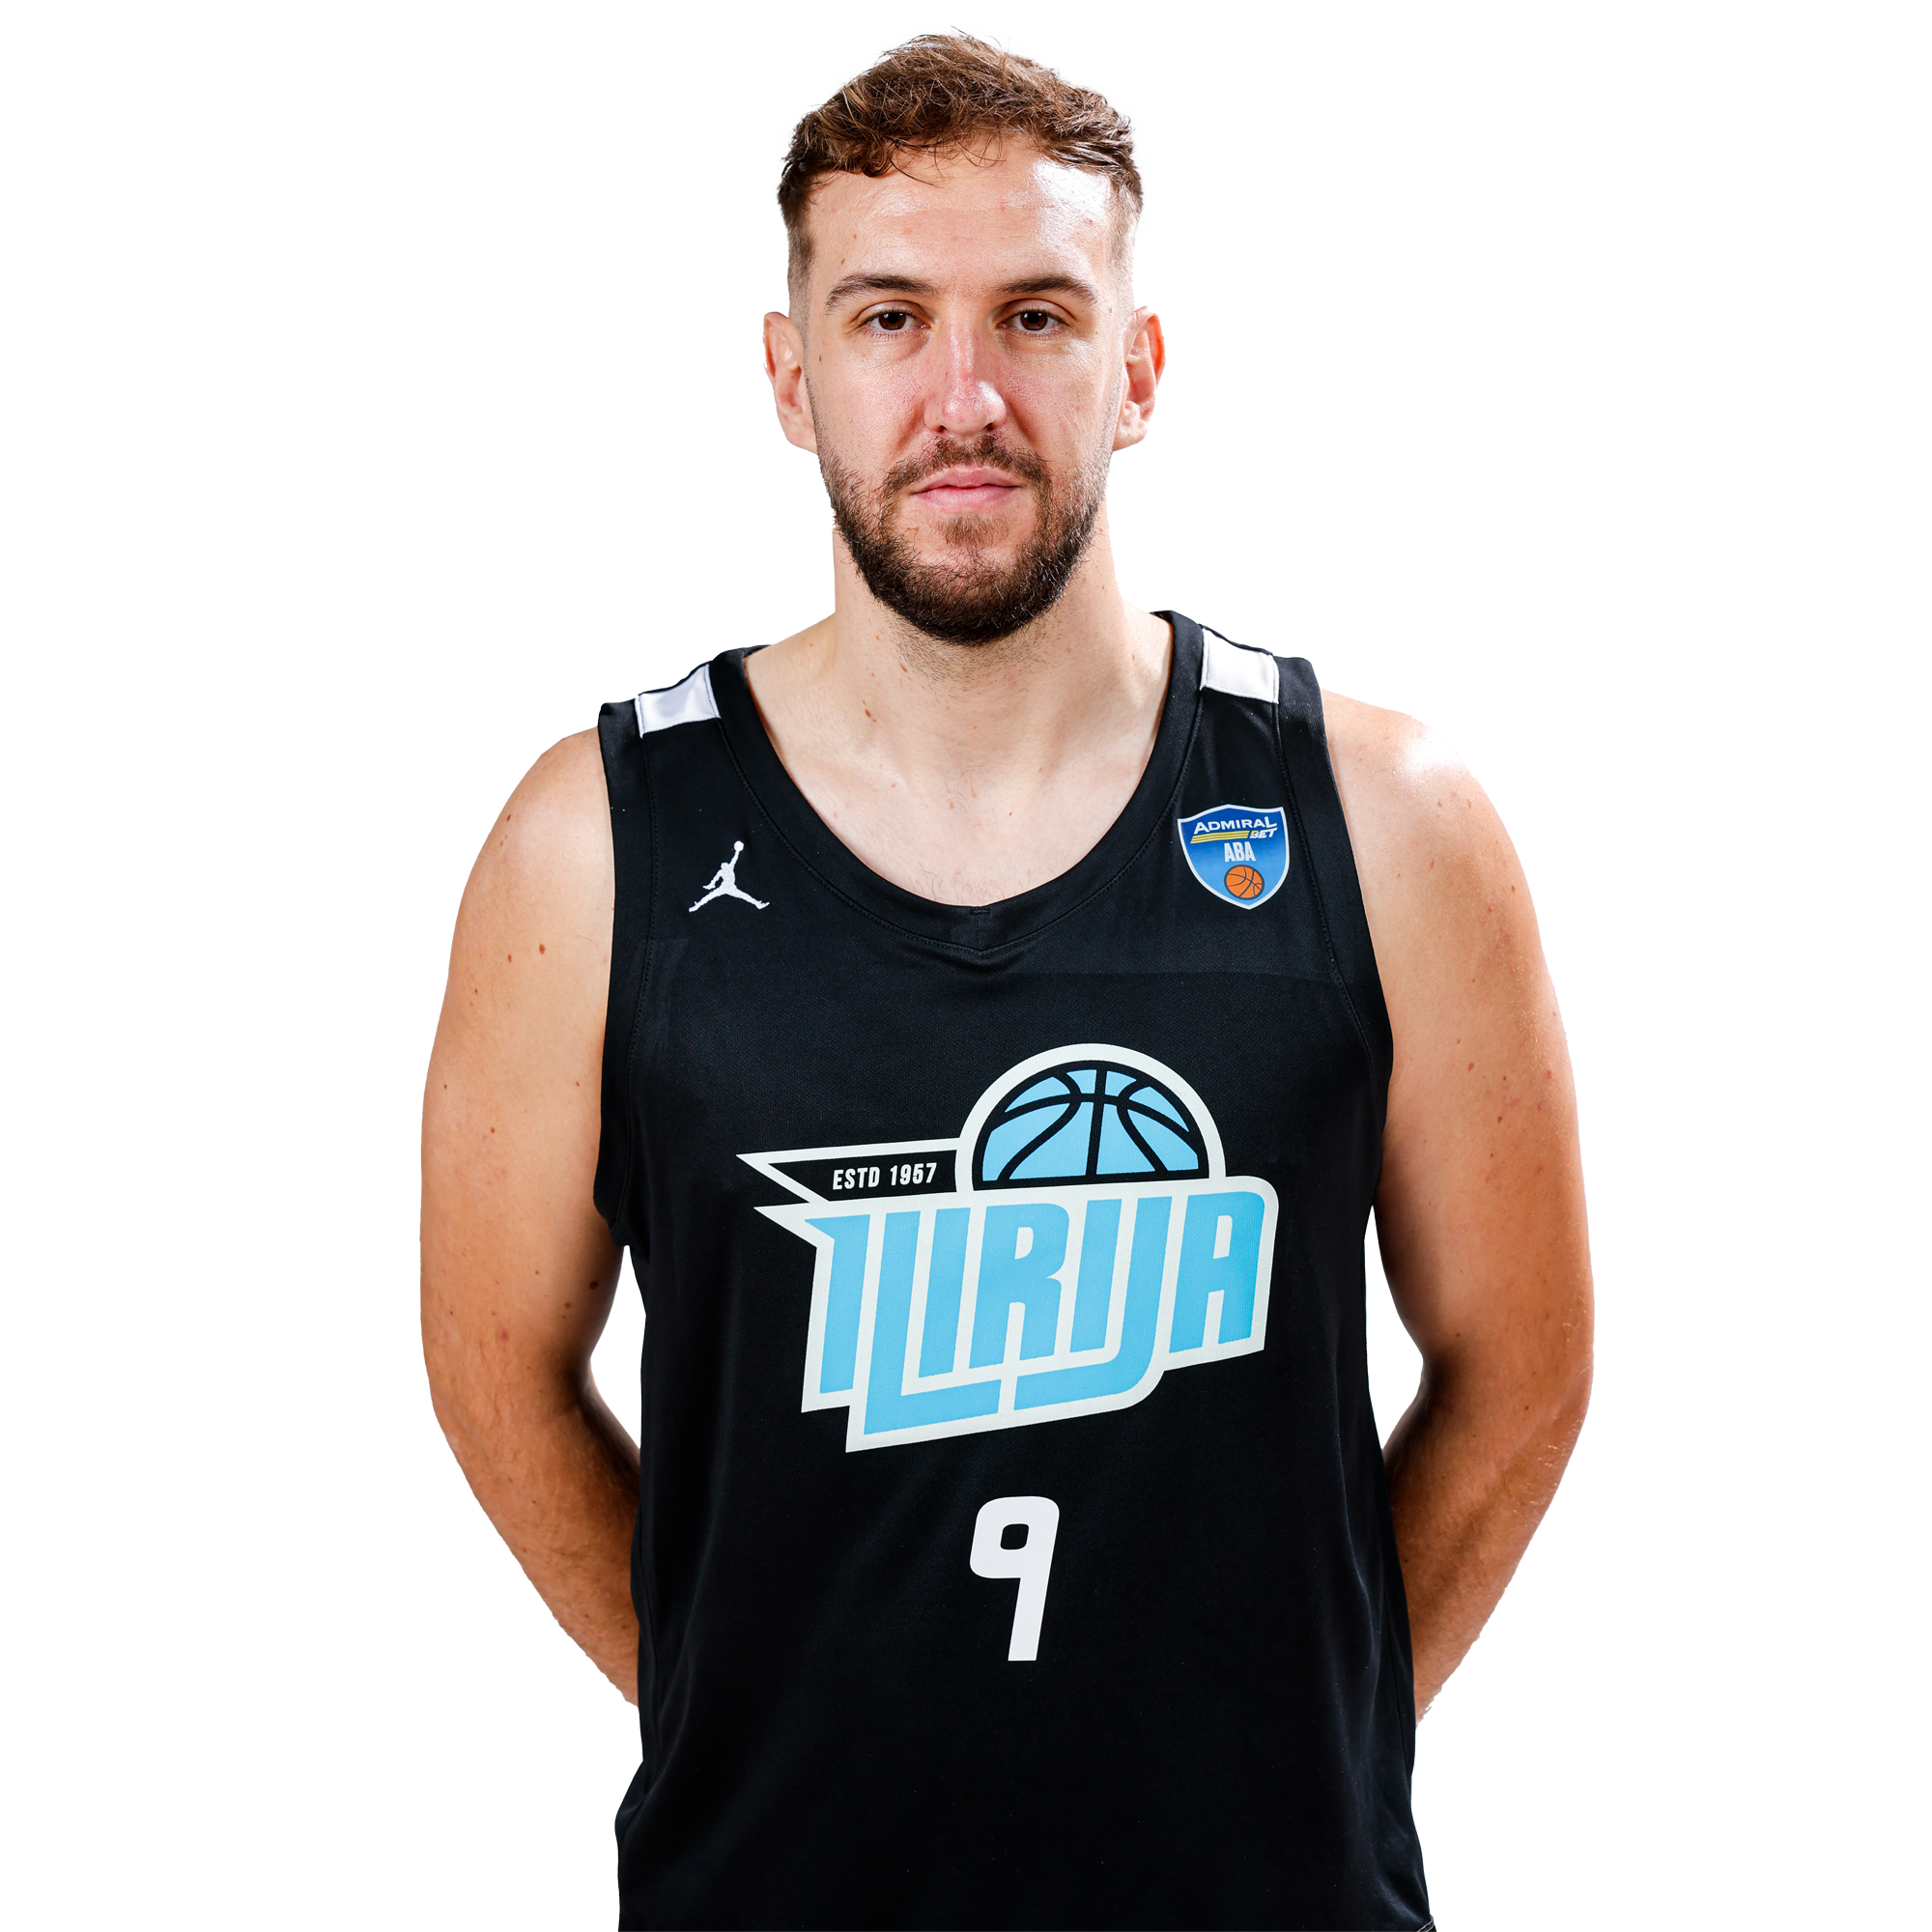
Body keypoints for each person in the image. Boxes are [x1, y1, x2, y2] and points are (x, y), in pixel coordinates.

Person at [421, 31, 1592, 1929]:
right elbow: (496, 1370)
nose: (963, 396)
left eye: (1036, 316)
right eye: (888, 318)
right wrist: (742, 1712)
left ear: (1136, 366)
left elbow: (1522, 1367)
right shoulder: (595, 844)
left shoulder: (1384, 820)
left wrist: (1319, 1739)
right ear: (791, 375)